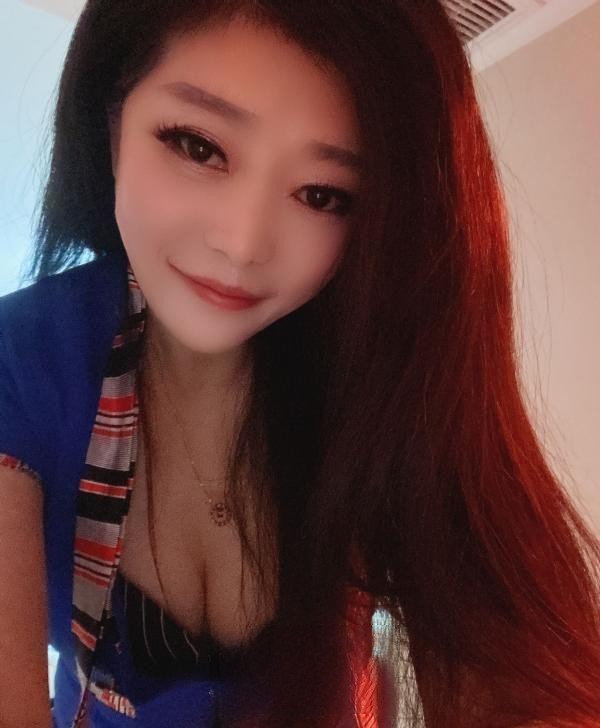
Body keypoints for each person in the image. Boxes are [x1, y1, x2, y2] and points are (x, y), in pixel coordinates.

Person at [0, 1, 599, 726]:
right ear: (111, 113)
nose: (244, 243)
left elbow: (509, 668)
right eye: (197, 146)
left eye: (323, 195)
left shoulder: (385, 366)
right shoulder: (21, 361)